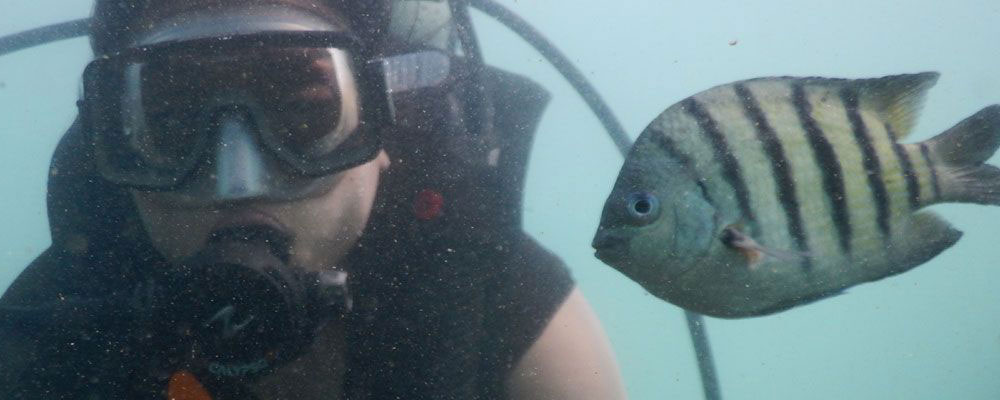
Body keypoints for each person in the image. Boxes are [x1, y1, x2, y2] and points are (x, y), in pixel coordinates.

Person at [0, 0, 627, 398]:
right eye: (170, 121)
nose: (238, 179)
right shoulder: (46, 339)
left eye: (301, 110)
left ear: (384, 122)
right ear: (115, 144)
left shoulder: (496, 296)